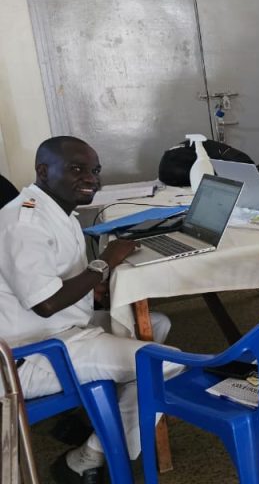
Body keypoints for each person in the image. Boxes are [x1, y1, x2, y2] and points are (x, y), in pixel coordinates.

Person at [0, 136, 177, 484]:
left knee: (155, 323)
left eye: (94, 171)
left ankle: (102, 421)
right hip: (31, 354)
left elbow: (64, 286)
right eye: (76, 169)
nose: (90, 179)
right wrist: (105, 263)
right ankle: (88, 457)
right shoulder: (25, 223)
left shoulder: (55, 209)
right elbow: (46, 303)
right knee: (167, 363)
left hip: (62, 330)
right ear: (43, 171)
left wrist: (104, 282)